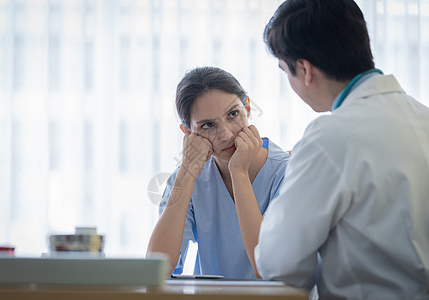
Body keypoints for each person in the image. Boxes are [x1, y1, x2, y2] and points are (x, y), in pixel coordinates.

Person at [254, 0, 429, 299]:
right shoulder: (422, 118)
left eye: (285, 70)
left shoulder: (328, 139)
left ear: (305, 69)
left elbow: (279, 264)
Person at [146, 66, 289, 279]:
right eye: (207, 125)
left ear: (247, 107)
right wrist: (186, 173)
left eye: (233, 114)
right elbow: (158, 269)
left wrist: (238, 174)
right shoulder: (188, 178)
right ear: (188, 133)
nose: (226, 134)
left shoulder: (287, 172)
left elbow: (267, 269)